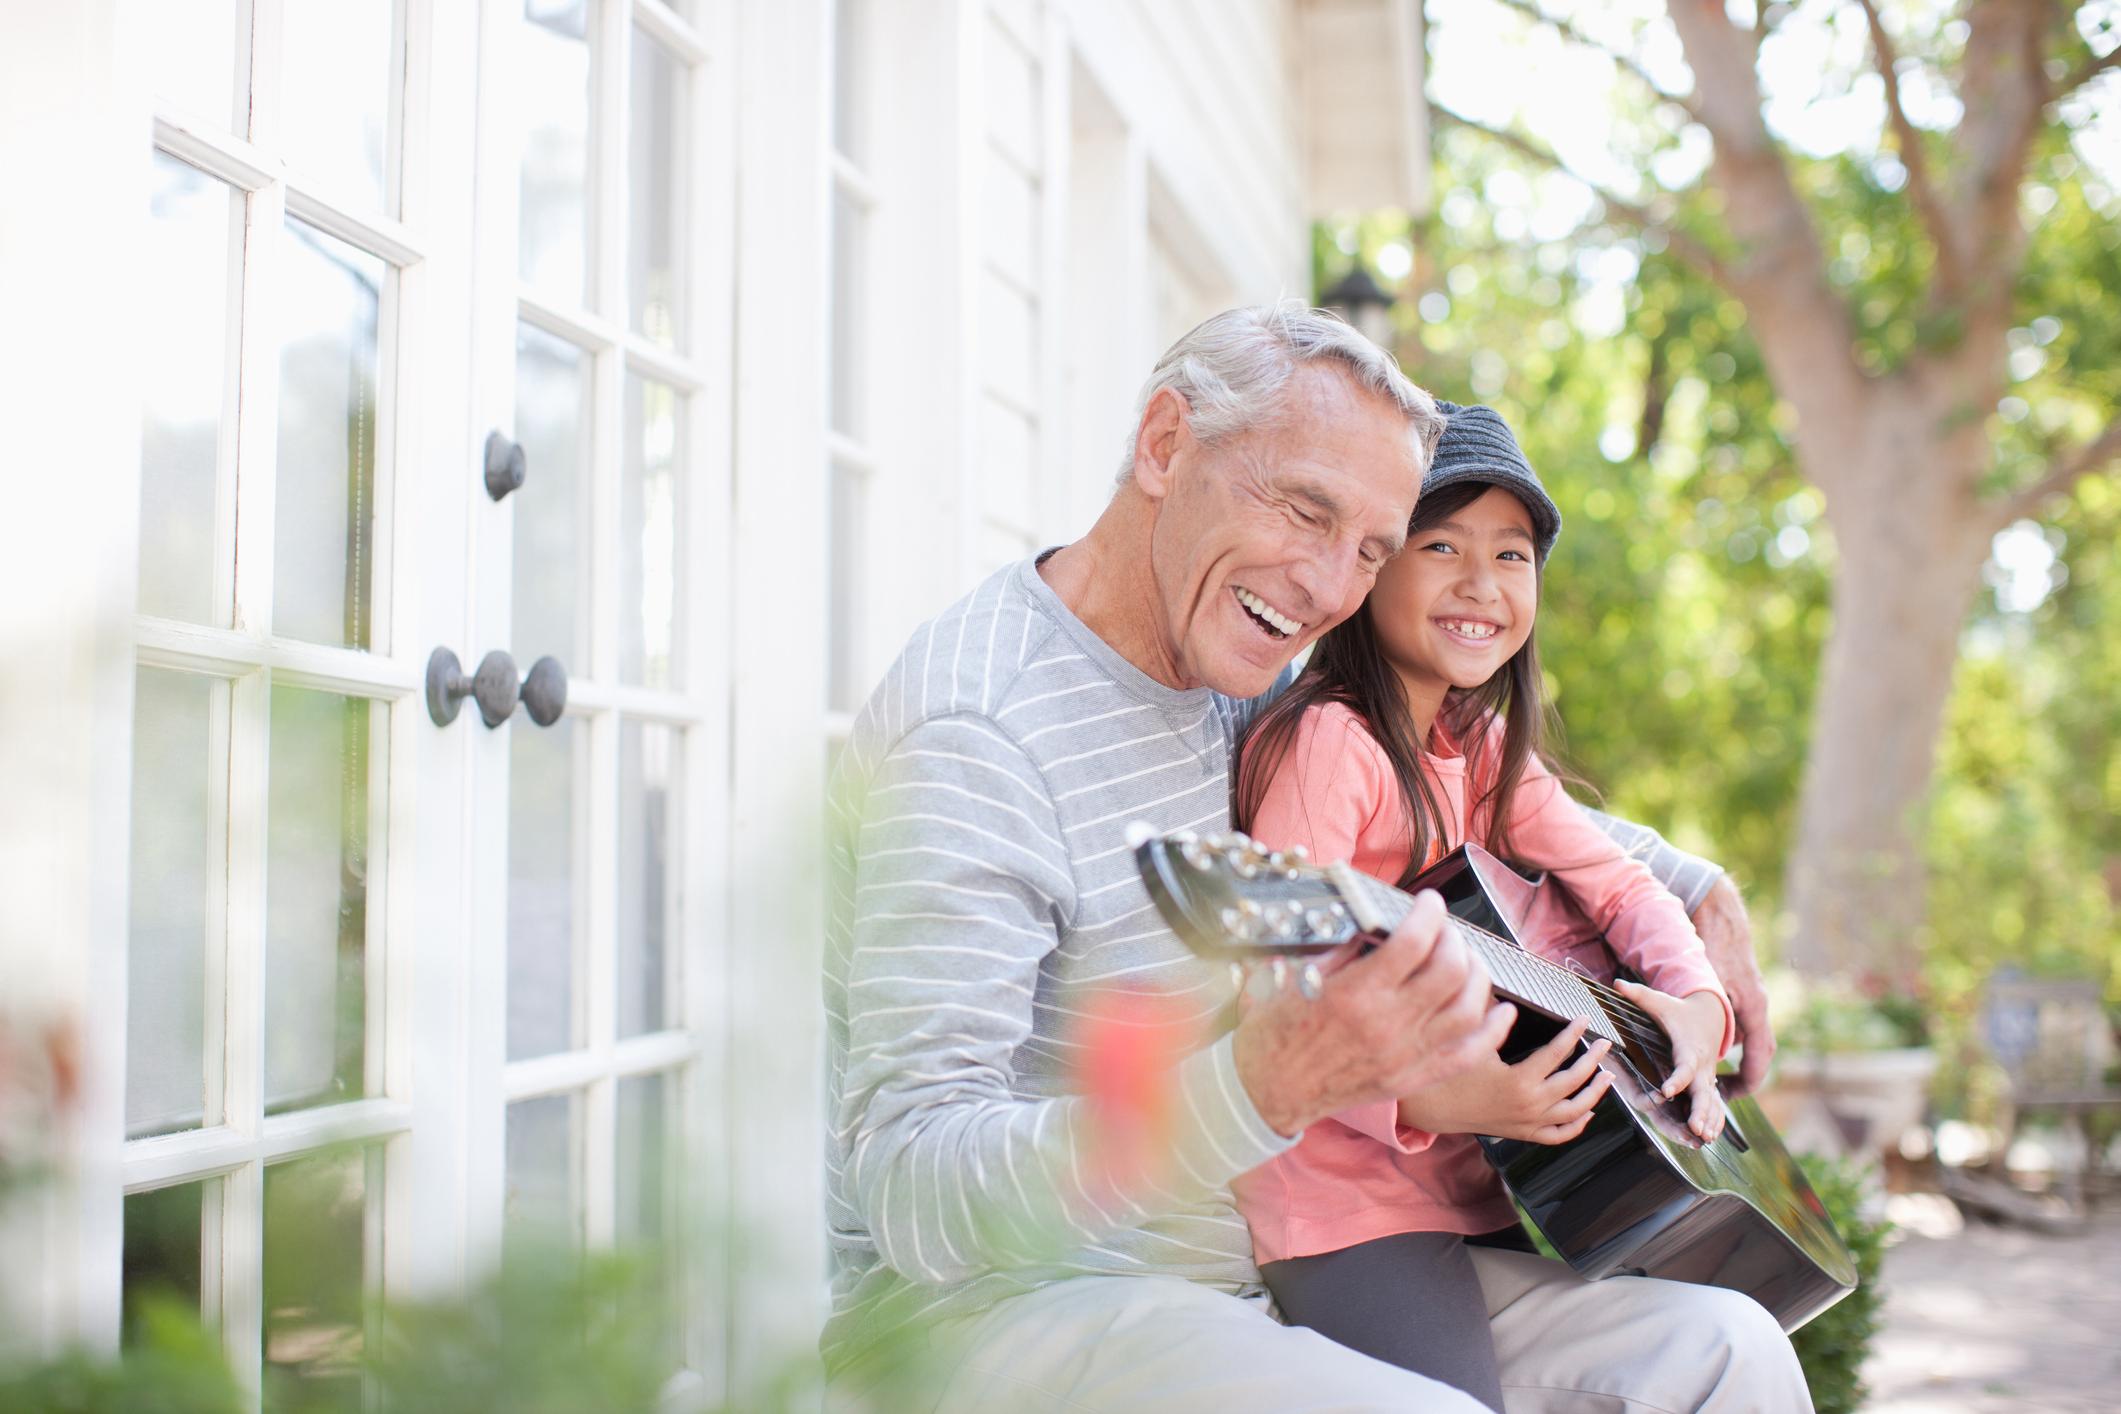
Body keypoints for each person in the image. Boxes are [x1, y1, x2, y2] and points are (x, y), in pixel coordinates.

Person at [824, 304, 1804, 1411]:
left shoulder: (1247, 673)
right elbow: (911, 1186)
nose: (1331, 590)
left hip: (1260, 1267)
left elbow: (1464, 784)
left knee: (1730, 1352)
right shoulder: (983, 730)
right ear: (1163, 443)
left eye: (1373, 550)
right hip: (1021, 1310)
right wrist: (1255, 1087)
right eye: (1305, 510)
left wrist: (1693, 891)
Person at [1230, 403, 1783, 1411]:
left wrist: (1697, 1001)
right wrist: (1437, 1101)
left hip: (1469, 1186)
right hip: (1344, 1211)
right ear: (1373, 563)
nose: (1481, 583)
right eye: (1440, 544)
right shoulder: (1329, 747)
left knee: (1733, 1347)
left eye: (1512, 554)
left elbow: (1620, 881)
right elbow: (1276, 988)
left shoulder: (1480, 748)